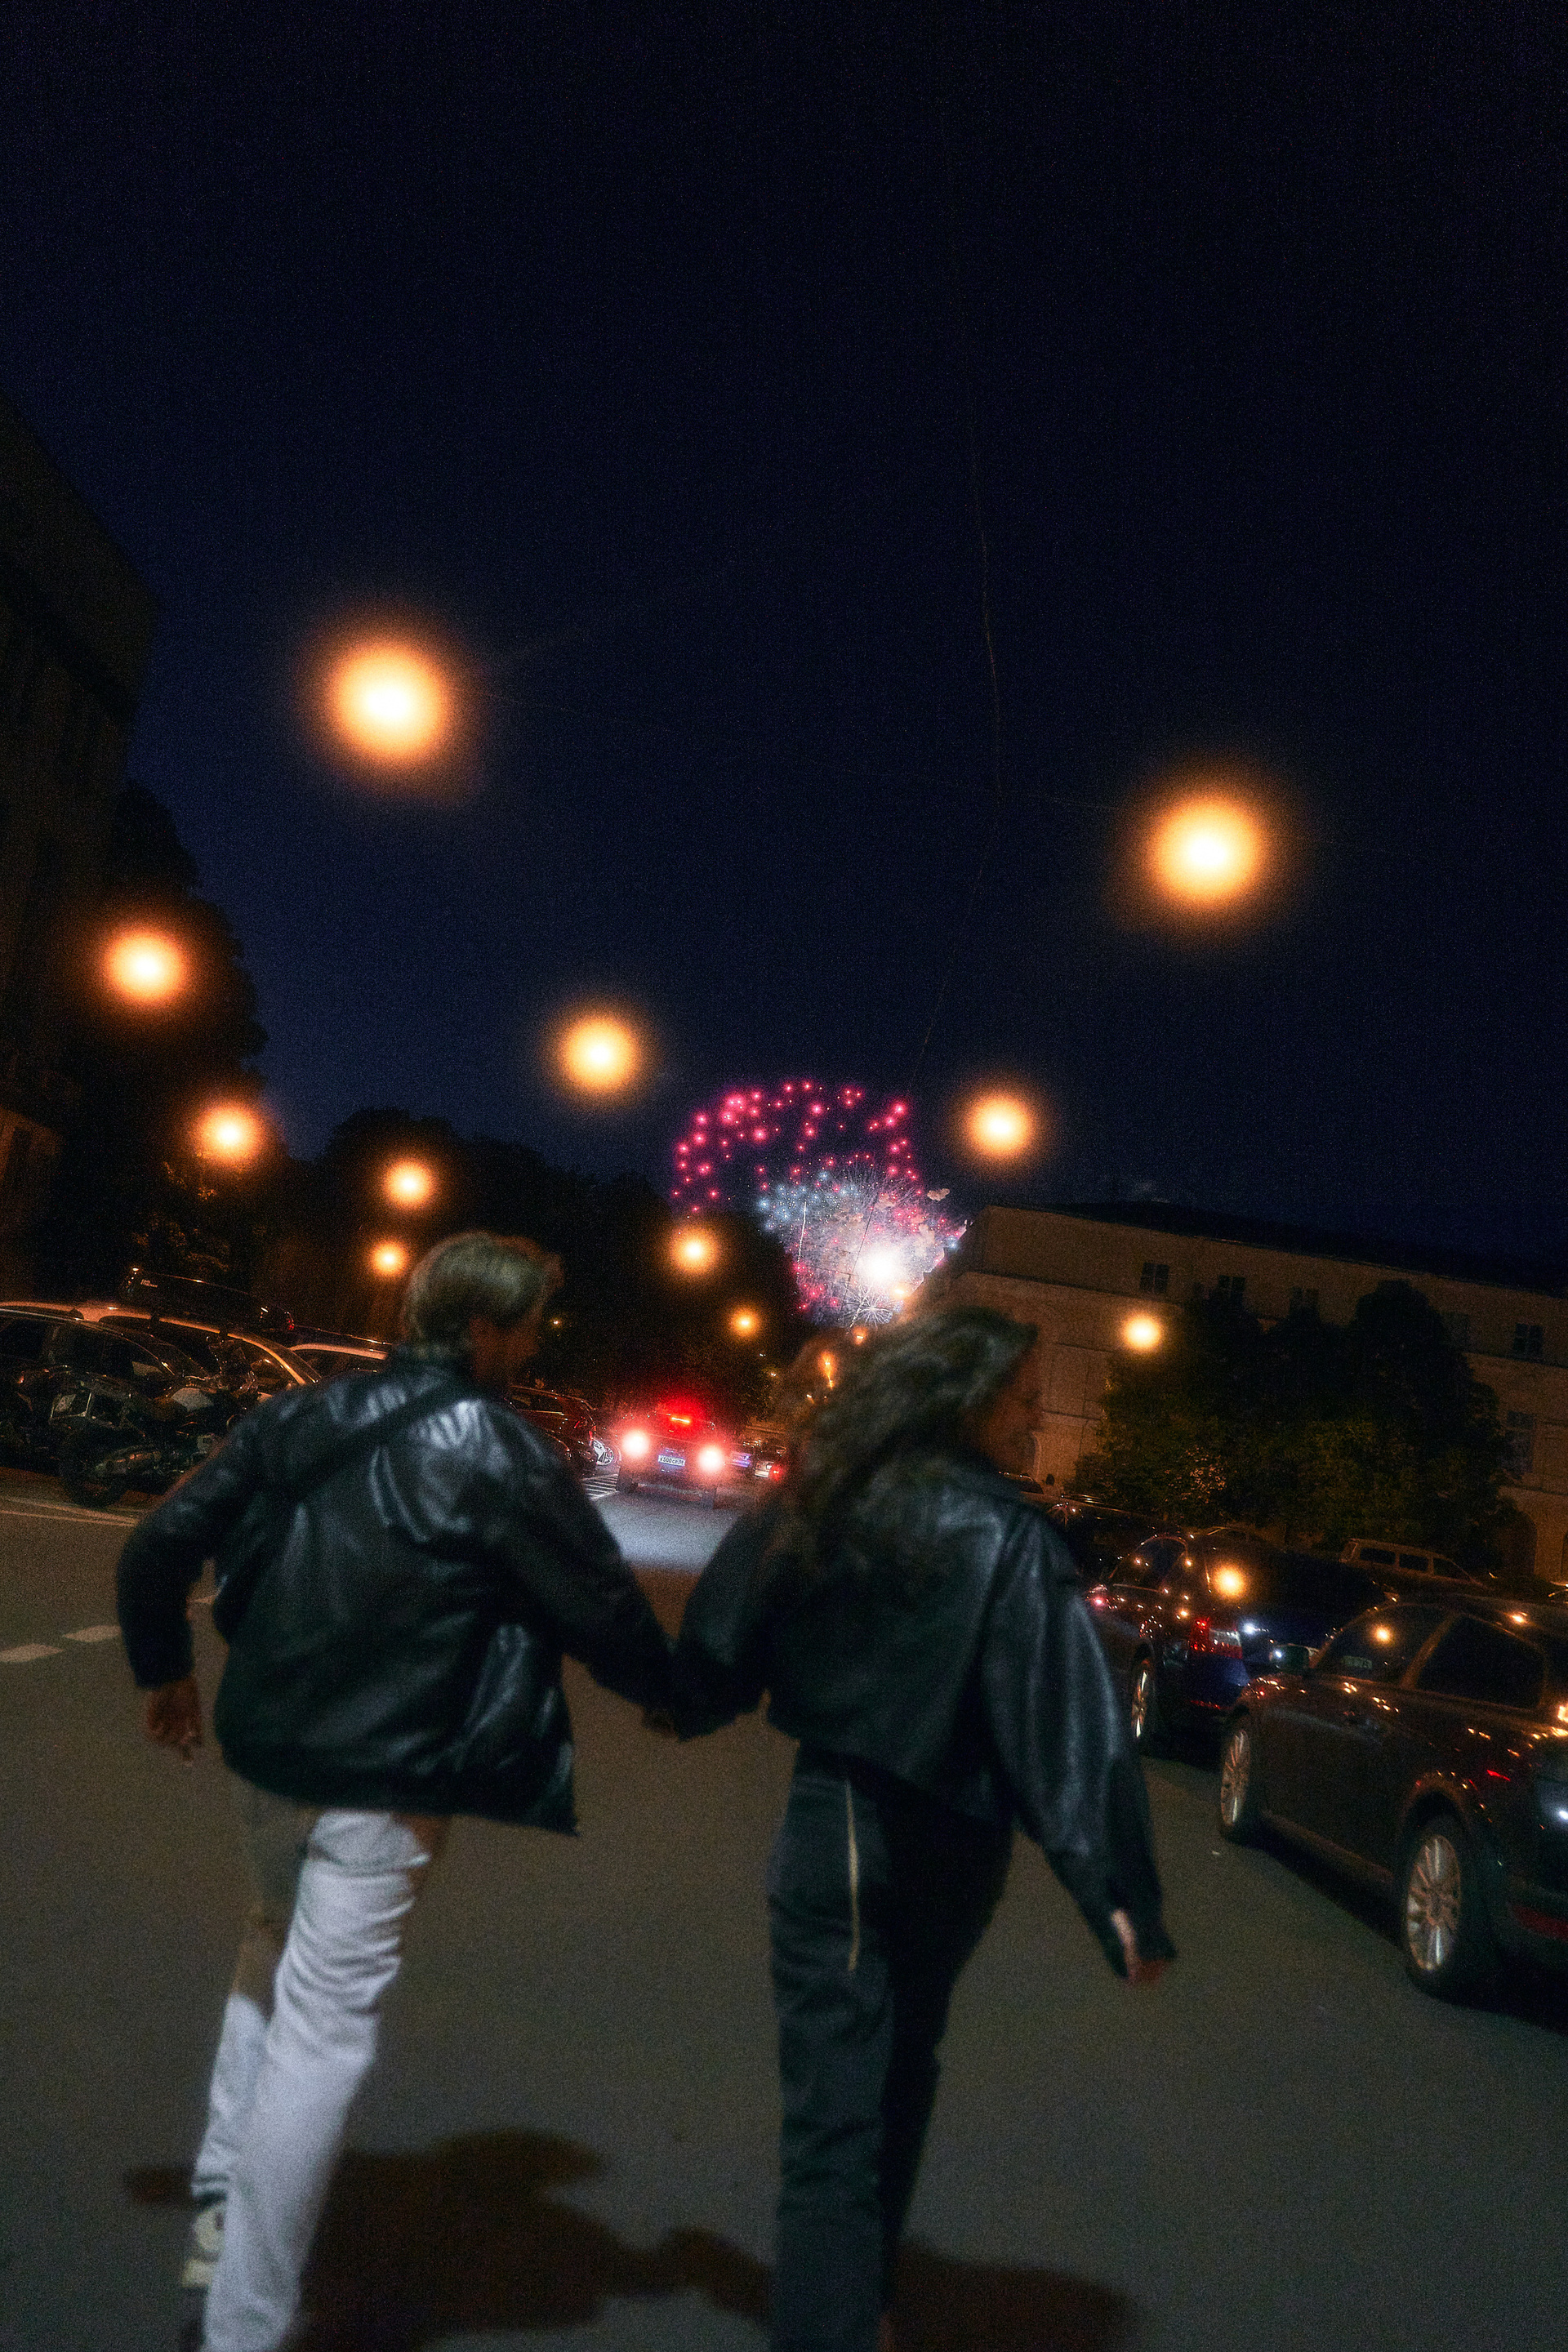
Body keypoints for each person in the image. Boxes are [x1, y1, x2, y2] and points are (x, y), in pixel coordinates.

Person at [118, 1232, 673, 2352]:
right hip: (391, 1773)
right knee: (325, 2033)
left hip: (267, 1749)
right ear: (481, 1328)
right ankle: (244, 2324)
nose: (533, 1347)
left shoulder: (300, 1414)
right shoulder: (503, 1449)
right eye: (526, 1327)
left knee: (271, 1937)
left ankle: (221, 2199)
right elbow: (600, 1607)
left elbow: (157, 1547)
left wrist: (165, 1672)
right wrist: (681, 1695)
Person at [673, 1303, 1175, 2352]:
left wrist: (685, 1698)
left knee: (835, 2117)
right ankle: (864, 2308)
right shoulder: (1016, 1539)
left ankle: (839, 2314)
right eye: (1022, 1397)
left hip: (845, 1826)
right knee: (903, 2070)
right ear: (967, 1397)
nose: (1032, 1418)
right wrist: (1118, 1898)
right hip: (959, 1851)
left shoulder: (832, 1496)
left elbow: (727, 1626)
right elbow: (1066, 1723)